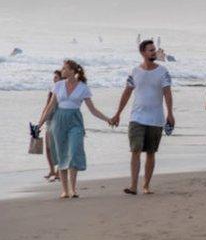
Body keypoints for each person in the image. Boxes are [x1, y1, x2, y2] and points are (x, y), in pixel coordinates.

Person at [37, 60, 112, 199]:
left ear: (72, 71)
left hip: (75, 121)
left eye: (64, 68)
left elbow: (93, 110)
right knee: (62, 154)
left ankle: (73, 189)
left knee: (74, 151)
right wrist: (40, 123)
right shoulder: (58, 85)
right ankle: (65, 190)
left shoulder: (83, 88)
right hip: (58, 122)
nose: (62, 70)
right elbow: (51, 106)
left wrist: (107, 119)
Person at [109, 40, 174, 195]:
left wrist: (170, 113)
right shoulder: (135, 71)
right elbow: (127, 92)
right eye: (150, 50)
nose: (153, 52)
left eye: (154, 50)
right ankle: (133, 186)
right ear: (143, 52)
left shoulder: (163, 71)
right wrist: (118, 113)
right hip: (136, 117)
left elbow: (167, 93)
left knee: (151, 152)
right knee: (135, 150)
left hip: (156, 118)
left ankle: (146, 185)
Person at [41, 70, 64, 182]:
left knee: (58, 146)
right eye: (54, 77)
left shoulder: (64, 90)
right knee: (48, 147)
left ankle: (59, 171)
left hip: (58, 120)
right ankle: (52, 170)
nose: (54, 79)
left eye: (56, 77)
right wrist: (41, 120)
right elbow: (47, 105)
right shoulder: (52, 90)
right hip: (49, 120)